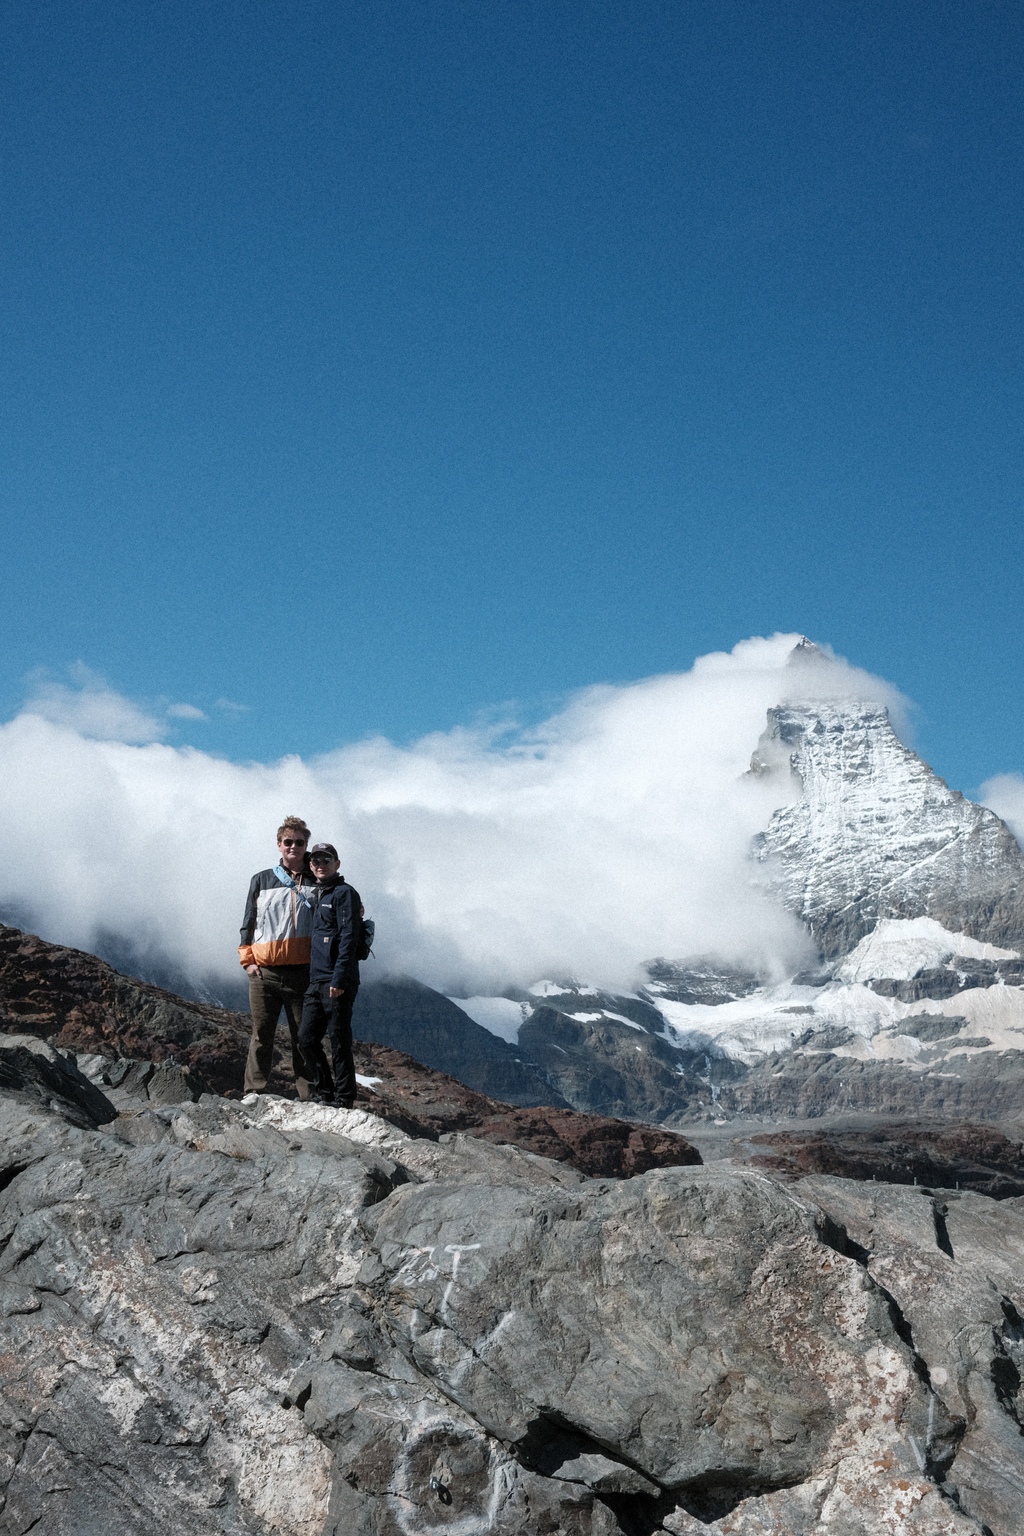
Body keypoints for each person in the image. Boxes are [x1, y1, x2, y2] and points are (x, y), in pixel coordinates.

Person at [238, 816, 317, 1099]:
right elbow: (249, 922)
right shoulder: (261, 880)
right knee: (262, 1035)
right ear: (279, 845)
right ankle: (253, 1092)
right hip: (265, 973)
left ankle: (308, 1096)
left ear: (306, 844)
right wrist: (247, 961)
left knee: (304, 1039)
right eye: (288, 842)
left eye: (299, 842)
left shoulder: (317, 879)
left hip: (303, 973)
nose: (293, 846)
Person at [298, 843, 363, 1108]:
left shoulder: (344, 893)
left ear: (337, 864)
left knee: (339, 1040)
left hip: (338, 980)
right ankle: (325, 1091)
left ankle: (344, 1098)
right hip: (317, 980)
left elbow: (349, 937)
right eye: (315, 860)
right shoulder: (318, 894)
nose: (320, 864)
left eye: (326, 859)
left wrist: (339, 978)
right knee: (306, 1039)